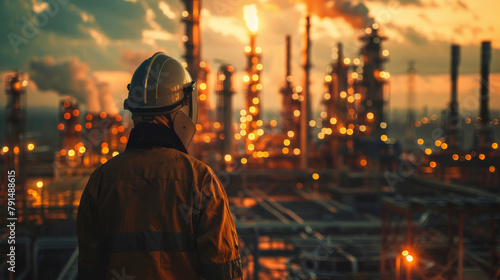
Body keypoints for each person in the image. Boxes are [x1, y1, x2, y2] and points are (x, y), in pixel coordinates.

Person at [76, 52, 243, 280]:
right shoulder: (201, 180)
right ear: (184, 107)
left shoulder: (102, 180)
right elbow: (225, 271)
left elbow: (88, 270)